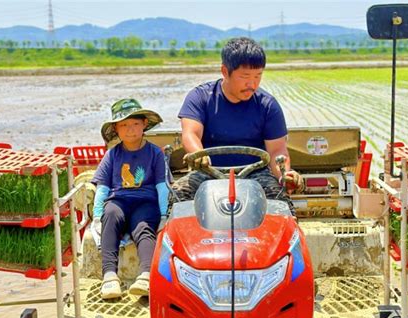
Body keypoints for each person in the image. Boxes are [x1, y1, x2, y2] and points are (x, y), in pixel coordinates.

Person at [175, 37, 302, 210]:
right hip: (210, 171)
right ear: (225, 71)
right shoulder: (200, 97)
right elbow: (190, 133)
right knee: (179, 192)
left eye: (258, 76)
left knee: (277, 197)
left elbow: (277, 150)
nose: (252, 84)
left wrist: (284, 175)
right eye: (245, 77)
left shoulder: (267, 105)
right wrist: (198, 154)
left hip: (255, 173)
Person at [91, 98, 169, 299]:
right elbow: (103, 187)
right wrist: (97, 216)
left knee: (143, 227)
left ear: (144, 124)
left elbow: (162, 186)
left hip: (146, 202)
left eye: (135, 123)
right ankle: (109, 277)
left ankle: (146, 276)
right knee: (110, 214)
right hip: (119, 200)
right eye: (124, 125)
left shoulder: (155, 153)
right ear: (116, 129)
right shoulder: (112, 155)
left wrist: (163, 215)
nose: (130, 129)